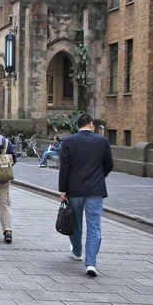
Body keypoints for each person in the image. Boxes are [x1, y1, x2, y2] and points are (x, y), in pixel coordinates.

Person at [59, 113, 113, 277]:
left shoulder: (68, 142)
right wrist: (99, 177)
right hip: (95, 190)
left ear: (77, 126)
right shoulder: (102, 141)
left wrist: (63, 190)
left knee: (75, 222)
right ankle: (91, 263)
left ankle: (77, 251)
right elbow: (109, 164)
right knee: (94, 226)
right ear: (91, 124)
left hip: (74, 189)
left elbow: (65, 168)